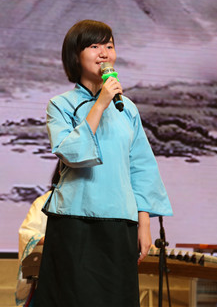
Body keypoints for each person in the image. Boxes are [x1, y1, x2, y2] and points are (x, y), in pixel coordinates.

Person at [34, 19, 173, 307]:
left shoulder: (128, 108)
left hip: (120, 221)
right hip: (75, 220)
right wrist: (100, 104)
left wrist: (144, 223)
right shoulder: (60, 104)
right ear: (75, 56)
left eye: (109, 46)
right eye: (94, 46)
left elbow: (141, 166)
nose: (103, 53)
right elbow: (72, 153)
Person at [15, 163, 61, 306]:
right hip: (50, 272)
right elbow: (27, 233)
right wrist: (55, 240)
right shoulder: (45, 201)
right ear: (61, 172)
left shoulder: (93, 202)